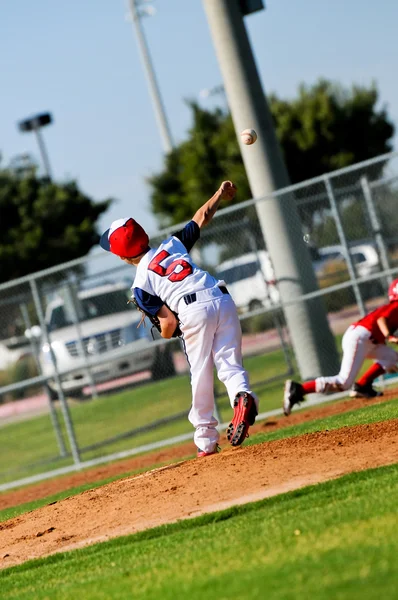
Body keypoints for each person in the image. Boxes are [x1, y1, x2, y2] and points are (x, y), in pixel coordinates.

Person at [100, 181, 258, 456]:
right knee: (229, 364)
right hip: (221, 297)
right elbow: (201, 217)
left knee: (200, 373)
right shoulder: (171, 245)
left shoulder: (140, 283)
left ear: (122, 256)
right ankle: (242, 396)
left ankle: (206, 440)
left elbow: (169, 324)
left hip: (193, 311)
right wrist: (219, 194)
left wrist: (166, 333)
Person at [283, 279, 398, 416]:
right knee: (343, 382)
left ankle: (362, 386)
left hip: (366, 339)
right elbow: (381, 320)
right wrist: (389, 335)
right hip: (360, 338)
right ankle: (298, 389)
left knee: (391, 356)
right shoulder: (396, 306)